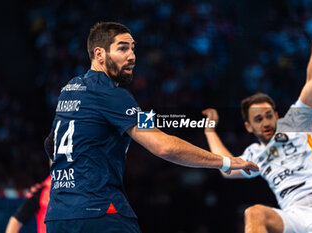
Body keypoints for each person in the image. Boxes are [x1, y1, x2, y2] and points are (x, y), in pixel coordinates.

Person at [43, 22, 258, 233]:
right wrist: (226, 162)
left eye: (133, 48)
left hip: (58, 216)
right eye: (123, 48)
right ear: (99, 54)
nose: (132, 56)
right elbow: (164, 146)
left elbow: (51, 144)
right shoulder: (114, 96)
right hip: (100, 214)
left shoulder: (70, 89)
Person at [202, 9, 312, 233]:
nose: (266, 122)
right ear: (249, 127)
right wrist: (209, 130)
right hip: (296, 216)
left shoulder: (296, 122)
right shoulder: (254, 155)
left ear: (277, 116)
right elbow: (226, 168)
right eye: (258, 119)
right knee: (254, 213)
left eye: (269, 115)